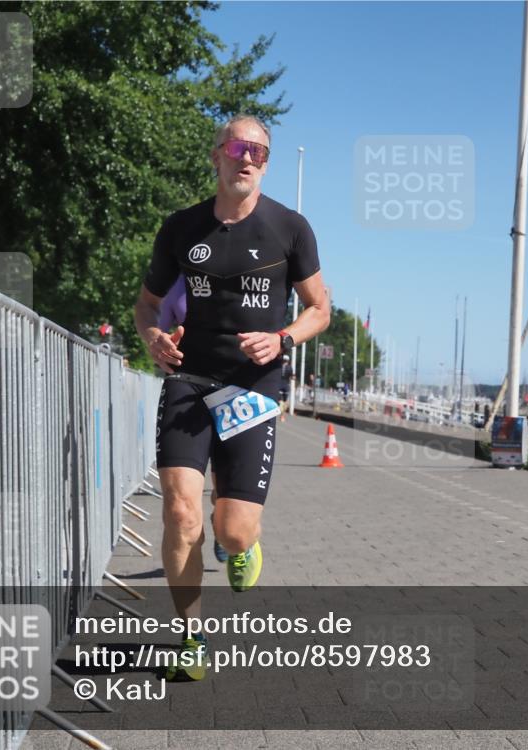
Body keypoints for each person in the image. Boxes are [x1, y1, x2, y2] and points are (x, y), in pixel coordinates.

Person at [134, 114, 330, 681]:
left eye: (261, 153)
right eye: (241, 148)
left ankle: (240, 546)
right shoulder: (181, 227)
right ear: (218, 153)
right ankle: (190, 637)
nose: (250, 159)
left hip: (252, 385)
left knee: (232, 528)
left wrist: (282, 337)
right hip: (189, 381)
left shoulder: (290, 228)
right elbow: (147, 304)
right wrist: (151, 336)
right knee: (179, 510)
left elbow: (320, 308)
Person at [157, 275, 230, 564]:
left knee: (224, 487)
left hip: (234, 390)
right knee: (182, 506)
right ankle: (191, 537)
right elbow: (157, 330)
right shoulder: (173, 282)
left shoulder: (234, 268)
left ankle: (226, 527)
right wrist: (161, 344)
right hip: (188, 393)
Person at [279, 354, 293, 421]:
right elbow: (292, 377)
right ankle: (282, 415)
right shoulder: (290, 368)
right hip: (286, 385)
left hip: (279, 385)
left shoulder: (279, 367)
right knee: (285, 401)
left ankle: (280, 411)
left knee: (280, 400)